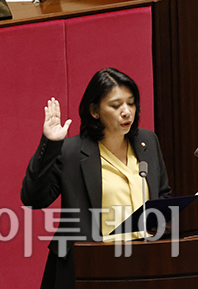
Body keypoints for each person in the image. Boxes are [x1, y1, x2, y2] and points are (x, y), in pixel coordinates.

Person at [21, 68, 171, 289]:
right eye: (116, 105)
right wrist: (50, 145)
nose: (126, 112)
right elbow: (33, 199)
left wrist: (163, 223)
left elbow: (163, 195)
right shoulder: (71, 152)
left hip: (144, 263)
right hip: (90, 266)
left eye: (131, 103)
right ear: (94, 111)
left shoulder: (147, 141)